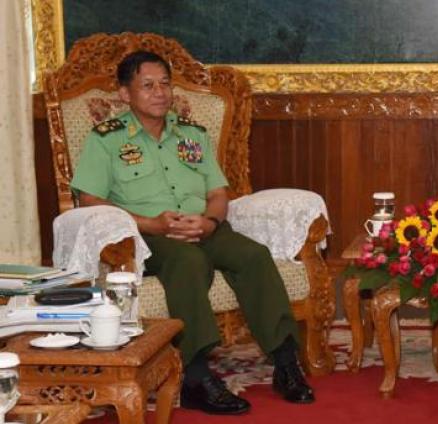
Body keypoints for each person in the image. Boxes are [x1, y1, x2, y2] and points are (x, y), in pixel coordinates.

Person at [70, 51, 315, 415]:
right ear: (124, 94)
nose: (160, 93)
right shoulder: (106, 139)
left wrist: (210, 222)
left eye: (165, 84)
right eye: (148, 85)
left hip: (204, 226)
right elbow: (89, 199)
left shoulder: (192, 134)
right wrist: (151, 224)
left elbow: (218, 193)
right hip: (146, 234)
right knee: (188, 261)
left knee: (253, 255)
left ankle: (285, 362)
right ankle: (196, 376)